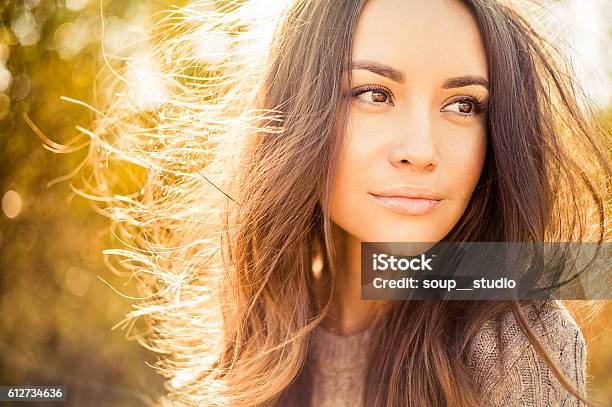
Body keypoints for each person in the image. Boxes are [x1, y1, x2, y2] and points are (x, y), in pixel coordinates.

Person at [80, 0, 611, 405]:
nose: (420, 151)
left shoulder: (512, 341)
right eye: (374, 94)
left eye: (462, 104)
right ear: (298, 111)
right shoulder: (263, 333)